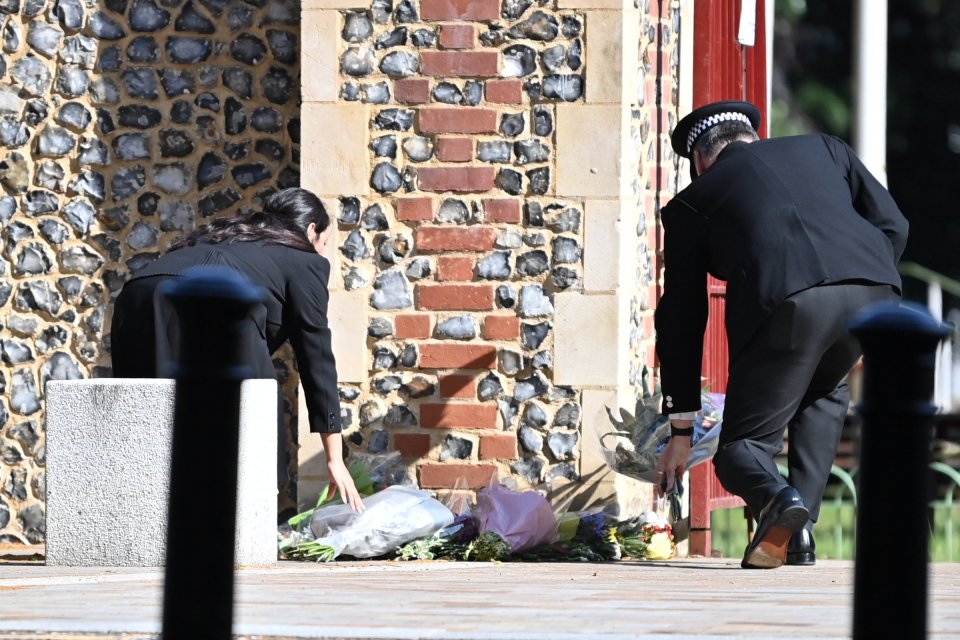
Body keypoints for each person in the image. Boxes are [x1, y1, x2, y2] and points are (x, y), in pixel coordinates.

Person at [653, 101, 908, 568]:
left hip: (790, 305)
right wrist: (862, 285)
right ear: (754, 137)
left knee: (739, 450)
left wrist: (682, 427)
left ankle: (779, 501)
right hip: (876, 292)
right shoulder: (826, 149)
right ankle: (797, 536)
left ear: (699, 162)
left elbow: (682, 319)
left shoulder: (692, 202)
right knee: (826, 391)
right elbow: (894, 224)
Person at [111, 187, 364, 512]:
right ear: (312, 230)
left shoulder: (227, 236)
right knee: (253, 402)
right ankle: (244, 518)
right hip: (210, 302)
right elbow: (315, 355)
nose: (322, 251)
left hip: (136, 297)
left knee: (150, 422)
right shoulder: (305, 260)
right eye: (325, 243)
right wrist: (334, 457)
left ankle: (142, 520)